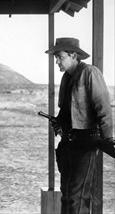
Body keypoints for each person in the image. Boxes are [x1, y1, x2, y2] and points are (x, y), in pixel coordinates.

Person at [45, 37, 114, 214]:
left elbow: (103, 108)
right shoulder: (66, 78)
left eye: (59, 57)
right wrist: (59, 124)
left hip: (86, 144)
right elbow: (66, 110)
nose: (57, 61)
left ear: (73, 55)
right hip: (68, 144)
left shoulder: (90, 73)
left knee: (77, 197)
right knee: (67, 196)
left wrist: (107, 139)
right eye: (56, 58)